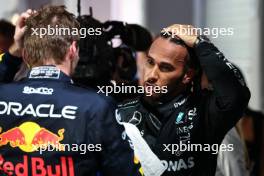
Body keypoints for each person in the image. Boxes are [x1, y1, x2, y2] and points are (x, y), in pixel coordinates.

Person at [0, 6, 142, 176]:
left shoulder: (3, 94)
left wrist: (13, 51)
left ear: (25, 54)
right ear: (73, 49)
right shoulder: (97, 106)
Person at [116, 24, 251, 176]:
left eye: (165, 68)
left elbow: (236, 96)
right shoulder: (122, 113)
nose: (151, 75)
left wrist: (199, 43)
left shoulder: (204, 114)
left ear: (188, 75)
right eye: (150, 62)